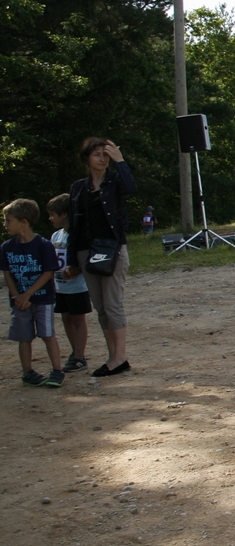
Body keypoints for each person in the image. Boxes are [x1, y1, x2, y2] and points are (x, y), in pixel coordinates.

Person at [65, 137, 135, 377]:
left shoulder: (115, 181)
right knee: (101, 307)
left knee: (113, 304)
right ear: (87, 158)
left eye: (106, 155)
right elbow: (74, 225)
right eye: (97, 155)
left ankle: (120, 357)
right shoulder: (78, 188)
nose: (102, 159)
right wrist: (72, 260)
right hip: (87, 251)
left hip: (112, 249)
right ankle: (113, 355)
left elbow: (131, 188)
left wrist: (120, 161)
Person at [3, 199, 64, 387]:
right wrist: (17, 296)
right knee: (24, 337)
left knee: (47, 334)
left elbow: (48, 272)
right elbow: (7, 273)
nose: (5, 225)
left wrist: (28, 293)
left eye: (8, 220)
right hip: (20, 301)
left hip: (42, 299)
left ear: (24, 222)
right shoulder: (7, 247)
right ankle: (27, 371)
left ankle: (57, 370)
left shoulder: (43, 245)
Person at [46, 195, 90, 373]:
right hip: (60, 286)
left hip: (77, 286)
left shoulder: (77, 234)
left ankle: (79, 355)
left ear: (64, 214)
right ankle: (75, 352)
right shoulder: (56, 235)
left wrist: (76, 270)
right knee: (66, 318)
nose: (50, 219)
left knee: (78, 319)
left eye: (52, 214)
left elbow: (84, 258)